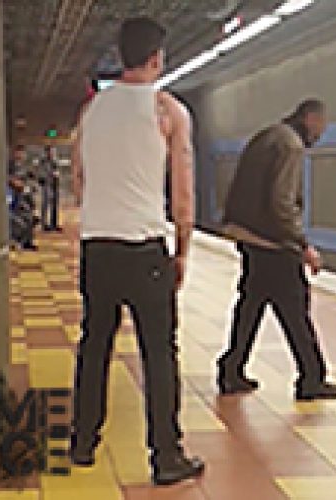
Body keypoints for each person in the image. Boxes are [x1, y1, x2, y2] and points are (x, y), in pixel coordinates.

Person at [69, 17, 204, 486]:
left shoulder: (91, 111)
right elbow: (182, 193)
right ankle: (166, 456)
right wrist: (182, 250)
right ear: (156, 58)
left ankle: (82, 442)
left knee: (94, 346)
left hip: (97, 248)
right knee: (158, 354)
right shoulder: (167, 110)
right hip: (145, 249)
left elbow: (79, 180)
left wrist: (99, 217)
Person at [218, 99, 336, 401]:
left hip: (249, 236)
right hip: (272, 241)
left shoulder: (267, 135)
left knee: (251, 307)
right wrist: (302, 244)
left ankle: (231, 370)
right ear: (310, 119)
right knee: (295, 309)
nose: (321, 132)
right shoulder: (290, 145)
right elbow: (282, 201)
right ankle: (311, 378)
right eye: (321, 125)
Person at [7, 145, 37, 251]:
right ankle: (15, 241)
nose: (21, 155)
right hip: (14, 195)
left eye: (22, 153)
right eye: (18, 153)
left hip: (26, 196)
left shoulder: (27, 166)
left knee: (29, 218)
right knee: (16, 220)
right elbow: (6, 177)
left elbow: (33, 178)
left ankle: (28, 242)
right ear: (15, 153)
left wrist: (30, 186)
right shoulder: (10, 166)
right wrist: (14, 182)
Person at [38, 145, 62, 232]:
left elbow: (58, 172)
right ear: (47, 152)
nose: (52, 153)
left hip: (54, 185)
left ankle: (54, 224)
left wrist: (57, 175)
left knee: (54, 205)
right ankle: (44, 225)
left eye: (53, 152)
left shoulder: (55, 162)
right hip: (46, 185)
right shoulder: (43, 161)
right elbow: (41, 174)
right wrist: (51, 174)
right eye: (51, 151)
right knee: (45, 205)